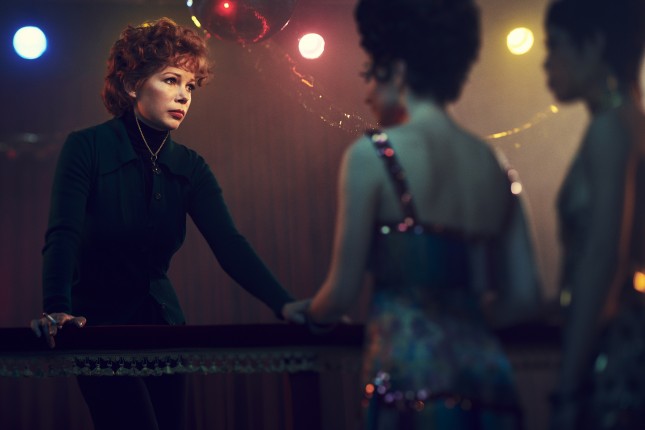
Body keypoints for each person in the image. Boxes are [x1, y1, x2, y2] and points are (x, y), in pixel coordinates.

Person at [29, 17, 306, 430]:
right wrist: (56, 308)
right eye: (172, 80)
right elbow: (62, 234)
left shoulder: (191, 166)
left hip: (165, 328)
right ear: (131, 84)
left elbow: (230, 244)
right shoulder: (87, 147)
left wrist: (286, 305)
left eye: (190, 86)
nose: (183, 96)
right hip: (97, 328)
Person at [300, 0, 542, 428]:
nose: (366, 92)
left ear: (397, 70)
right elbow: (525, 297)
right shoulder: (494, 162)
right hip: (489, 384)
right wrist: (460, 320)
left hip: (411, 384)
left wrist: (307, 313)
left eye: (370, 72)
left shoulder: (373, 155)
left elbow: (340, 294)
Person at [543, 0, 645, 428]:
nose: (546, 62)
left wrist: (567, 387)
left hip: (615, 352)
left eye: (555, 45)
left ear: (595, 44)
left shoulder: (609, 129)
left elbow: (603, 257)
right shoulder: (632, 120)